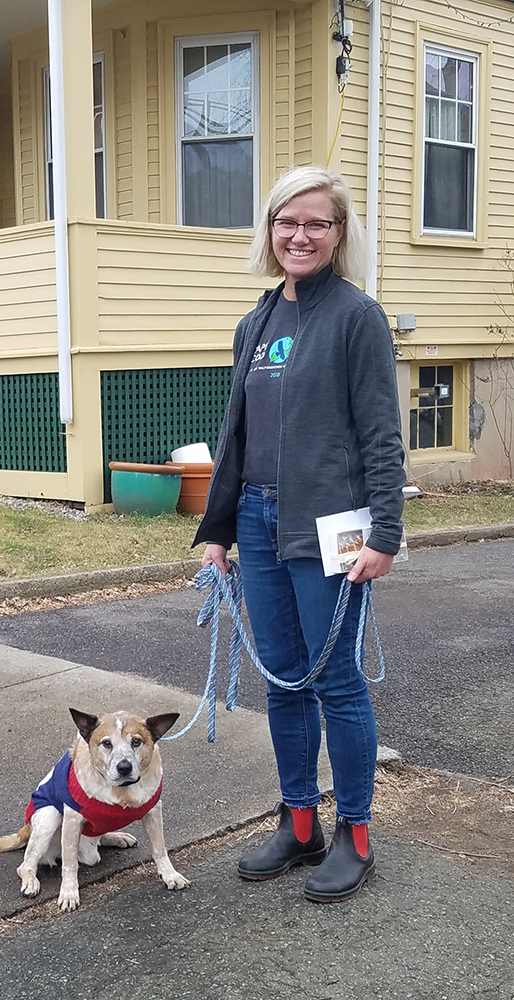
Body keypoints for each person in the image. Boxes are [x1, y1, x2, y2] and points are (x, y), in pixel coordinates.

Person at [193, 165, 406, 903]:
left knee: (335, 681)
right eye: (288, 221)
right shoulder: (255, 321)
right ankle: (299, 822)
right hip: (256, 520)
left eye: (318, 222)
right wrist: (217, 528)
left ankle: (355, 831)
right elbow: (237, 433)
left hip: (331, 529)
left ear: (340, 234)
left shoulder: (356, 316)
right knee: (282, 680)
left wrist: (386, 532)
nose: (301, 235)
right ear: (270, 230)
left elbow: (382, 434)